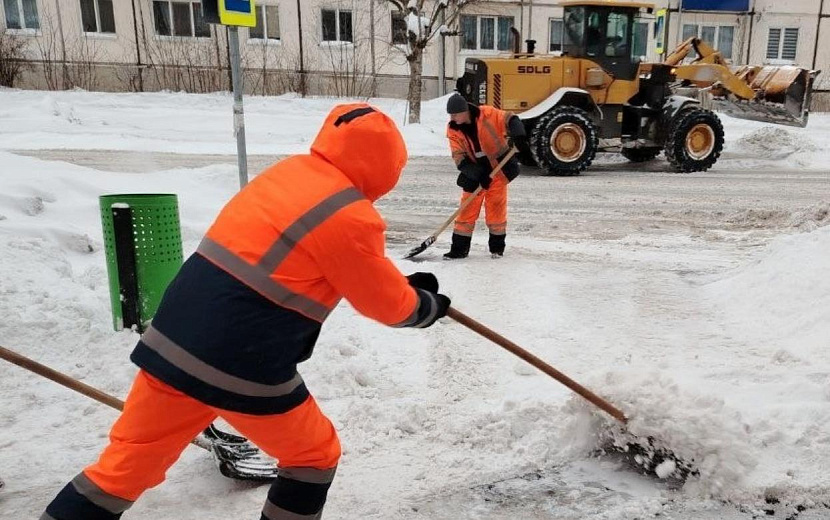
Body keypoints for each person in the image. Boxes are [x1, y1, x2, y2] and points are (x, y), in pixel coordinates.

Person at [41, 104, 451, 520]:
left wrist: (400, 286)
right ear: (386, 166)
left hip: (173, 343)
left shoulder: (286, 175)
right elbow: (386, 305)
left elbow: (308, 262)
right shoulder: (349, 214)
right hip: (241, 361)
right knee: (314, 455)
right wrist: (425, 305)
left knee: (122, 470)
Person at [444, 92, 526, 259]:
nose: (452, 118)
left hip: (498, 169)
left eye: (455, 114)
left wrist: (519, 135)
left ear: (465, 110)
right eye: (450, 115)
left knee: (496, 208)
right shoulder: (453, 129)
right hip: (475, 171)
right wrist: (478, 174)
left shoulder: (487, 114)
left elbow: (511, 119)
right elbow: (459, 158)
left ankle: (497, 249)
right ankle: (459, 249)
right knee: (466, 209)